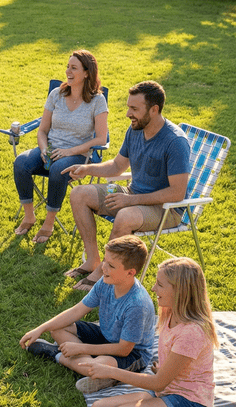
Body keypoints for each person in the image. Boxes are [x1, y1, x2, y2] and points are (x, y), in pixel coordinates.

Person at [85, 258, 217, 407]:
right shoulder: (169, 313)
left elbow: (157, 384)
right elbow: (166, 375)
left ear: (181, 292)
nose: (153, 289)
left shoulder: (192, 332)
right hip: (169, 395)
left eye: (160, 285)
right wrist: (163, 369)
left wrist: (111, 372)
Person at [62, 80, 190, 291]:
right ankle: (92, 261)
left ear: (154, 109)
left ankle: (103, 273)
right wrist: (88, 169)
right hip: (133, 194)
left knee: (125, 215)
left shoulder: (175, 142)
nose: (128, 114)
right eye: (128, 107)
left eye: (134, 109)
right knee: (79, 194)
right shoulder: (136, 129)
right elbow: (117, 166)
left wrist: (131, 200)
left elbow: (177, 193)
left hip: (165, 209)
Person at [19, 235, 155, 393]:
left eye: (110, 265)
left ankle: (56, 354)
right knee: (57, 328)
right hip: (105, 336)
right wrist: (40, 329)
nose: (103, 267)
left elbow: (123, 349)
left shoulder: (137, 305)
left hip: (132, 353)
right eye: (105, 260)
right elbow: (77, 310)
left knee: (92, 368)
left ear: (130, 273)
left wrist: (81, 349)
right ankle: (100, 374)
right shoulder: (105, 282)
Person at [13, 49, 108, 244]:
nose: (68, 71)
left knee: (58, 169)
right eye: (67, 66)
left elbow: (101, 138)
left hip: (80, 154)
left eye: (74, 68)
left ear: (87, 73)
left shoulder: (98, 101)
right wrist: (43, 149)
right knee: (21, 163)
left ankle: (49, 222)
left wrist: (69, 151)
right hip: (50, 149)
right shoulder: (57, 94)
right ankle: (29, 216)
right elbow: (42, 130)